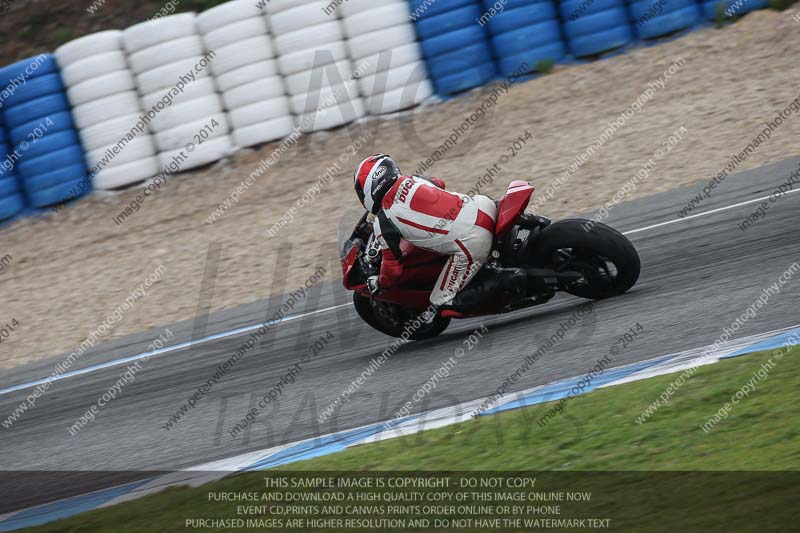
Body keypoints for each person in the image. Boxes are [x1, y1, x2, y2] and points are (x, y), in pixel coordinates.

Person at [353, 154, 549, 313]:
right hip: (483, 205)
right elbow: (439, 183)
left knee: (440, 302)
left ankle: (509, 283)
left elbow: (393, 269)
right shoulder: (414, 179)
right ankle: (535, 223)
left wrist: (380, 282)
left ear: (368, 191)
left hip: (473, 241)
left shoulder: (383, 222)